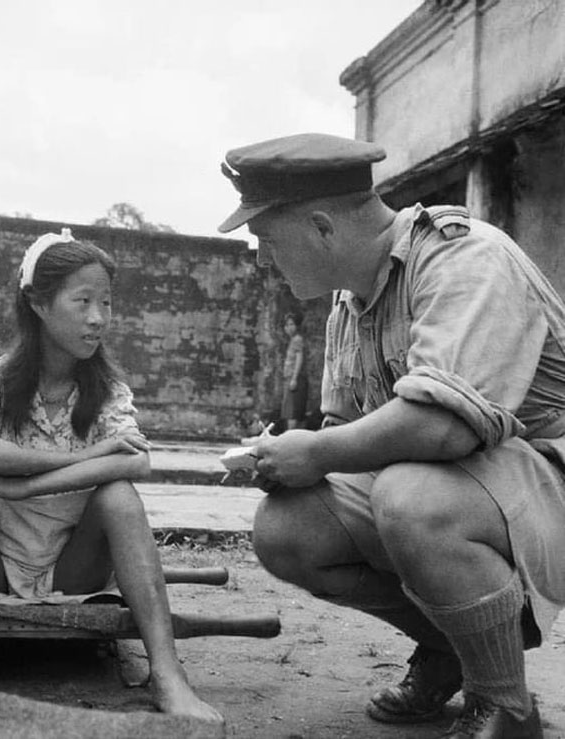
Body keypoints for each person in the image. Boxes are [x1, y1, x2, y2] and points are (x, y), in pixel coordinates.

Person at [217, 132, 565, 738]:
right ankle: (454, 649)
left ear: (323, 227)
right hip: (489, 497)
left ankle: (506, 706)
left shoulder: (466, 258)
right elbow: (349, 436)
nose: (264, 260)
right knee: (291, 526)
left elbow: (443, 425)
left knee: (411, 497)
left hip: (548, 485)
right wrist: (284, 460)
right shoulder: (350, 305)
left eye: (268, 241)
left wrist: (319, 451)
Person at [0, 228, 222, 724]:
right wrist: (83, 457)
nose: (98, 318)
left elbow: (135, 462)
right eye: (83, 301)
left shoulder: (107, 389)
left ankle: (168, 675)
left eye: (106, 303)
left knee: (119, 495)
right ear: (38, 303)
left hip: (71, 565)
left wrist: (23, 484)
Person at [280, 312, 308, 430]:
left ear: (297, 325)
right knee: (289, 410)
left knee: (292, 411)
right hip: (290, 378)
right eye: (287, 325)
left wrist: (294, 378)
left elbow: (299, 358)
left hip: (294, 378)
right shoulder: (293, 340)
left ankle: (290, 438)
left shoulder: (297, 339)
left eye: (292, 324)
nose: (289, 328)